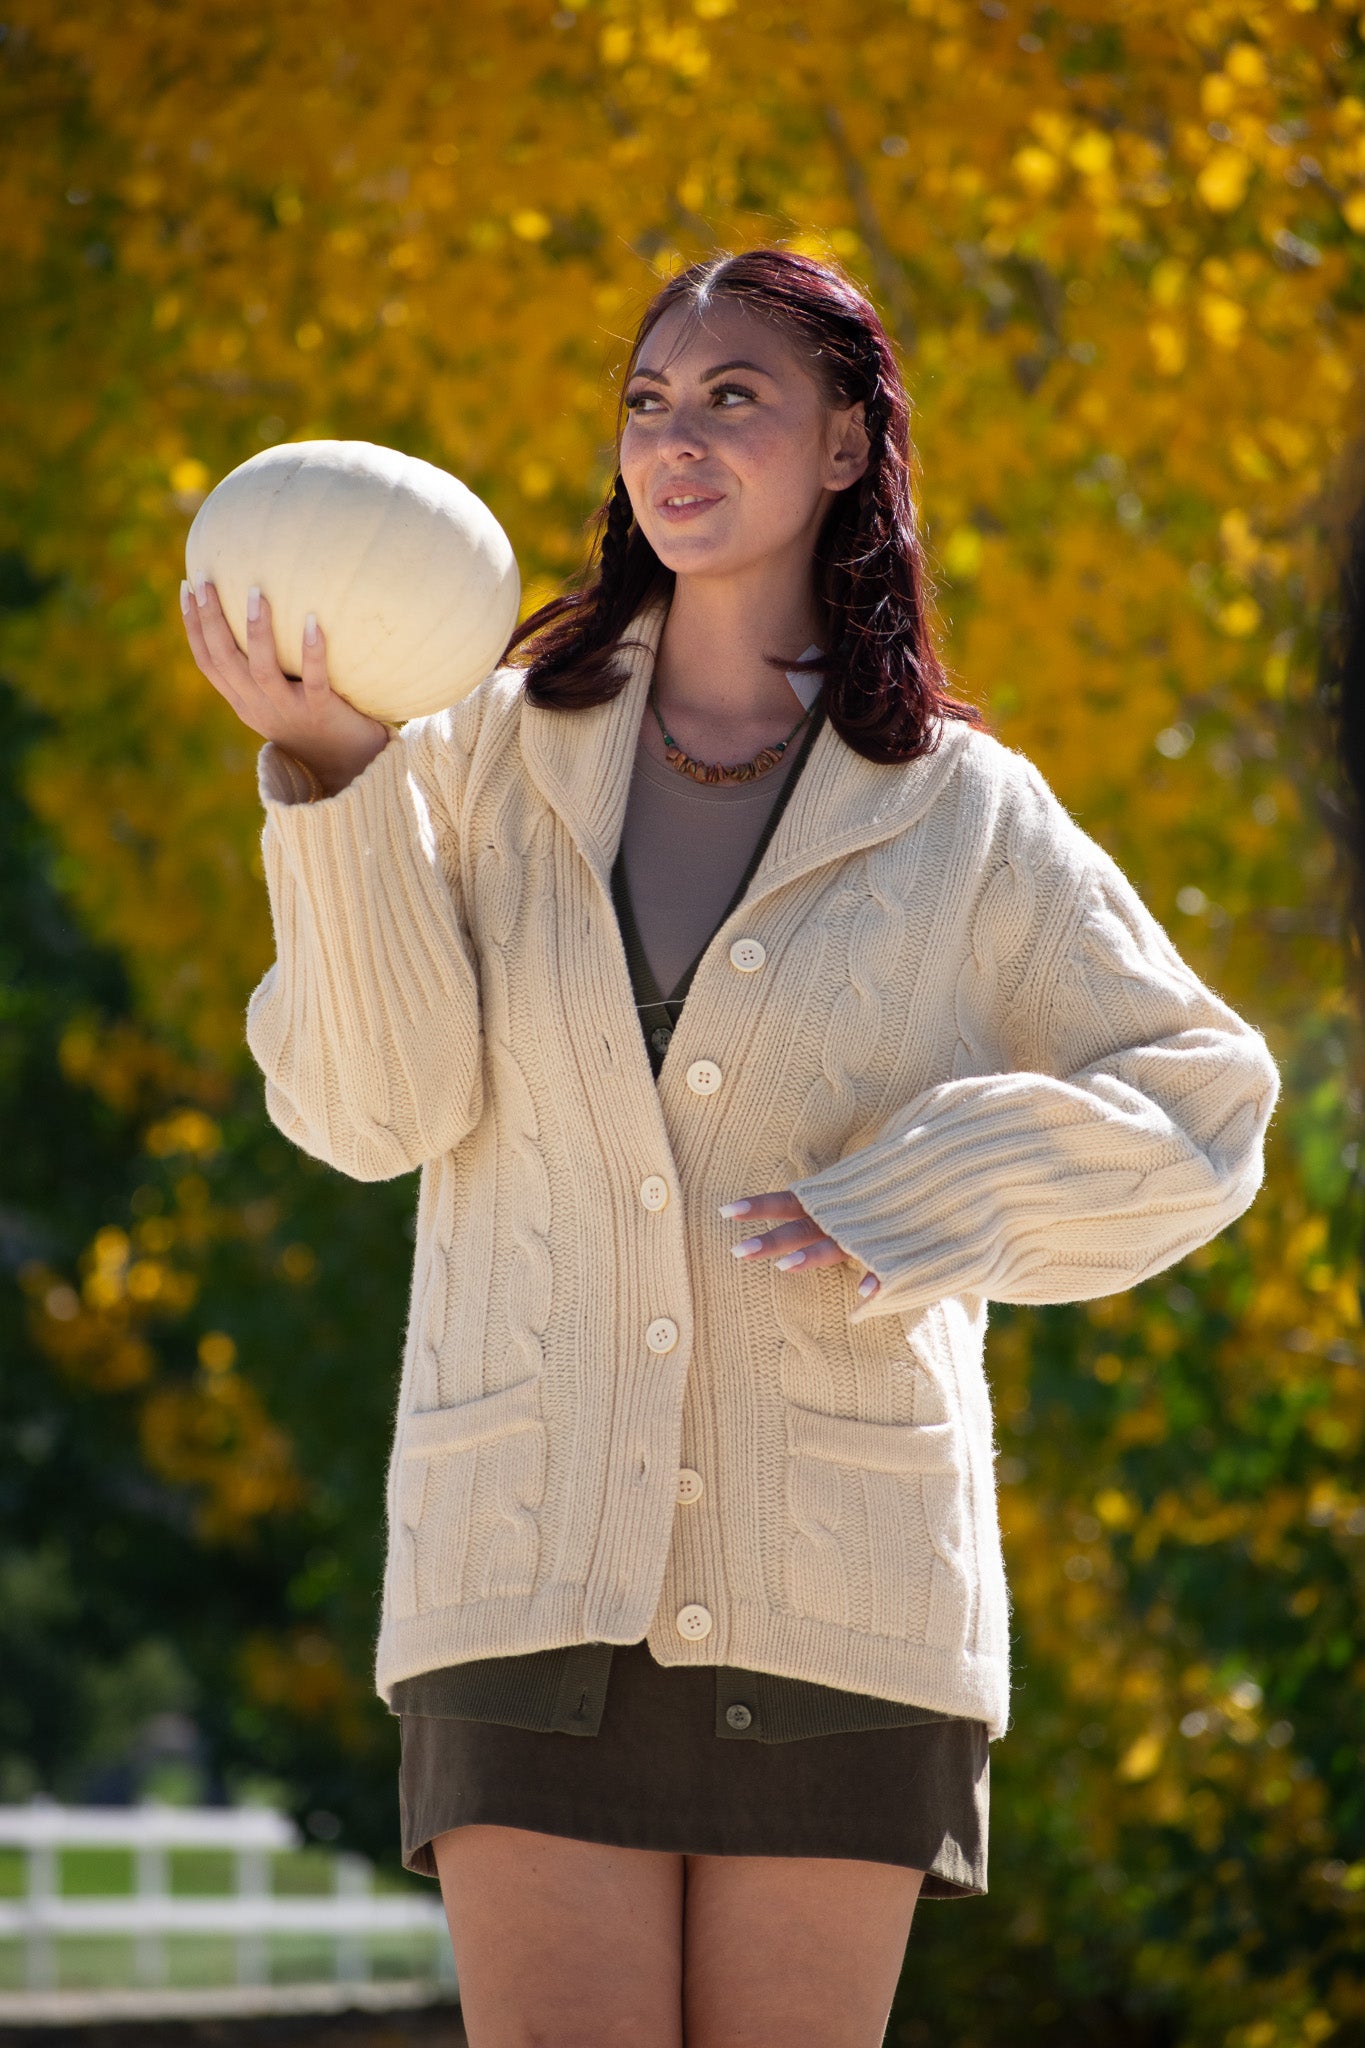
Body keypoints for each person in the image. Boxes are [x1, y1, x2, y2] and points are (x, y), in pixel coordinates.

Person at [180, 247, 1281, 2048]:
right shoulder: (467, 759)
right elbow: (372, 1118)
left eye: (734, 398)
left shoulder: (959, 811)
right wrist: (326, 782)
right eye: (646, 402)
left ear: (848, 444)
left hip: (839, 1602)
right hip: (521, 1571)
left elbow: (1203, 1106)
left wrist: (919, 1199)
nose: (674, 440)